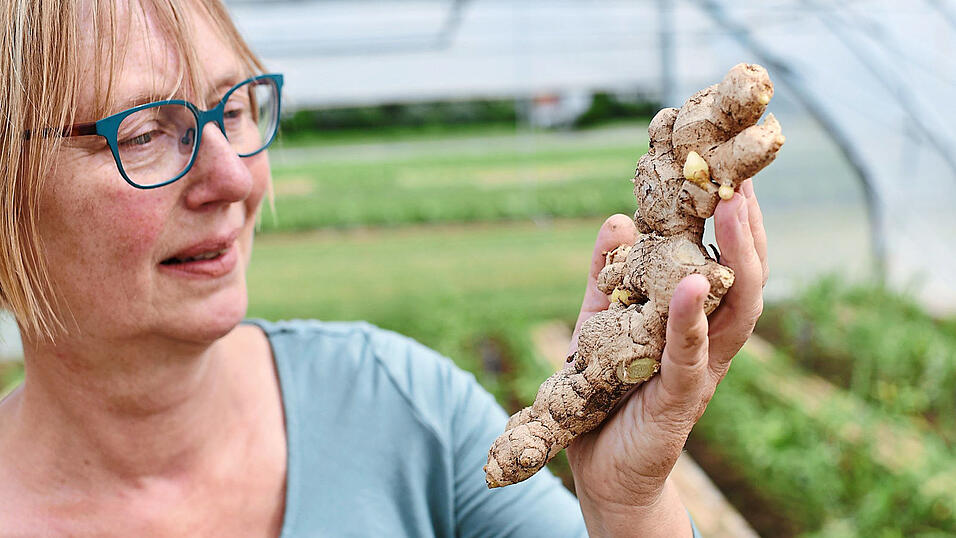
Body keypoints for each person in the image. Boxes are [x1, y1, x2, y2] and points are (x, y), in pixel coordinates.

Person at [0, 1, 768, 536]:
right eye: (141, 133)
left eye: (232, 109)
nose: (233, 177)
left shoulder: (404, 410)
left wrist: (626, 507)